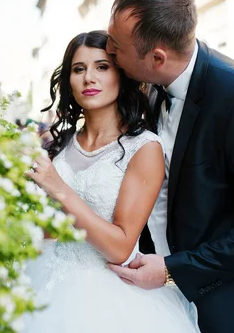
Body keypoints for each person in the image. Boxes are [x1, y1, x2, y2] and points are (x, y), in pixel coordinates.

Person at [105, 0, 234, 333]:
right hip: (164, 304)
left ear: (157, 57)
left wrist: (173, 270)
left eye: (116, 46)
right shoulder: (148, 87)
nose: (108, 50)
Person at [23, 30, 199, 332]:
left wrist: (58, 188)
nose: (89, 77)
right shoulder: (58, 145)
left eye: (102, 67)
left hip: (108, 294)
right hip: (44, 275)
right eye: (79, 69)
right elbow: (49, 227)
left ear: (122, 74)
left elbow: (120, 246)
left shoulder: (143, 148)